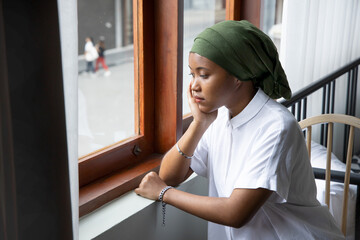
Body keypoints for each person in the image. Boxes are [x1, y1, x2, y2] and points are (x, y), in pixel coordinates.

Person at [135, 20, 344, 239]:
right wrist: (199, 124)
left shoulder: (276, 126)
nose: (194, 86)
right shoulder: (220, 116)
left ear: (237, 76)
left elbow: (236, 212)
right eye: (192, 75)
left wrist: (164, 194)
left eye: (204, 75)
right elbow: (168, 175)